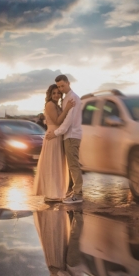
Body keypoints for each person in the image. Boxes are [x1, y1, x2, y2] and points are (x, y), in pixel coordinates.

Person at [35, 85, 75, 202]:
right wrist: (67, 108)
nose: (56, 95)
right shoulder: (50, 105)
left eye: (58, 93)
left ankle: (56, 192)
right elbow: (57, 120)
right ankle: (51, 193)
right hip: (52, 136)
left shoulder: (57, 105)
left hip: (58, 135)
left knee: (57, 164)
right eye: (54, 93)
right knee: (52, 164)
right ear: (50, 95)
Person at [49, 75, 84, 204]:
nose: (60, 88)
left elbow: (68, 121)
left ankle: (78, 194)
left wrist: (56, 133)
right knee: (71, 165)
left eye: (62, 86)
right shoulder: (66, 99)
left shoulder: (73, 98)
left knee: (74, 165)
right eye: (58, 86)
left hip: (72, 135)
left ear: (68, 83)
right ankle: (75, 191)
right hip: (67, 136)